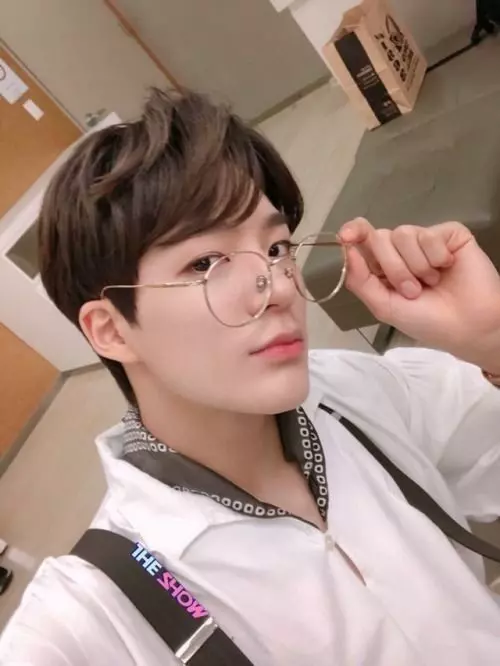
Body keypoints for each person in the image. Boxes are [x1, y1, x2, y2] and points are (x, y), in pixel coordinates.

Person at [1, 88, 500, 666]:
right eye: (206, 263)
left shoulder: (353, 391)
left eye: (277, 246)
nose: (281, 286)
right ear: (111, 330)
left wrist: (490, 340)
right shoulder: (102, 605)